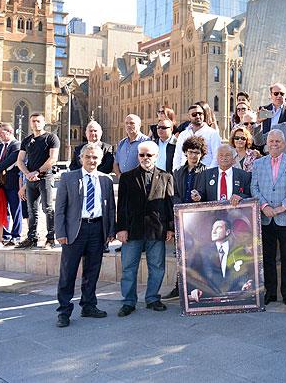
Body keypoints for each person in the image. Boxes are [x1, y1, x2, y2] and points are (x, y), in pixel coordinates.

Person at [53, 144, 116, 327]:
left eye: (95, 157)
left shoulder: (106, 180)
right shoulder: (68, 178)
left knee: (92, 270)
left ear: (101, 160)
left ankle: (88, 305)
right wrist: (61, 232)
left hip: (97, 229)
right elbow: (60, 209)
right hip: (75, 231)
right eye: (88, 157)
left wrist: (110, 231)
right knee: (68, 272)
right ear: (81, 158)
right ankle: (64, 311)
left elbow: (110, 208)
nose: (91, 160)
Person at [115, 141, 175, 317]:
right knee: (128, 268)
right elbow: (122, 206)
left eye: (149, 155)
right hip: (132, 230)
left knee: (157, 267)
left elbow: (169, 205)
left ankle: (152, 299)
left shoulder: (166, 177)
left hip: (156, 230)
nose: (145, 158)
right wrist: (121, 229)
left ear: (156, 156)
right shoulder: (126, 177)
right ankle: (128, 302)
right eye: (142, 155)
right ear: (138, 156)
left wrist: (170, 228)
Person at [251, 129, 286, 306]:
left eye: (278, 141)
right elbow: (254, 188)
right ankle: (270, 292)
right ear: (266, 144)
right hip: (265, 218)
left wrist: (282, 208)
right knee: (268, 258)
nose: (274, 144)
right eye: (271, 141)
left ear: (284, 144)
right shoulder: (258, 164)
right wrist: (264, 206)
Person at [161, 136, 208, 302]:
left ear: (202, 154)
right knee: (181, 255)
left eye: (197, 153)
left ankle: (199, 288)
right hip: (181, 219)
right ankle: (179, 287)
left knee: (198, 256)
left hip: (199, 221)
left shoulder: (207, 171)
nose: (194, 156)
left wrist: (200, 197)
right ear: (186, 153)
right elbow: (172, 195)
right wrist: (181, 206)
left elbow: (209, 196)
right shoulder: (177, 172)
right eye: (191, 152)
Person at [15, 113, 60, 249]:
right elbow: (20, 160)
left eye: (38, 121)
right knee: (31, 210)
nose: (36, 123)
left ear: (44, 122)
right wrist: (28, 174)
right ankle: (32, 238)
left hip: (45, 177)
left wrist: (37, 172)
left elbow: (53, 159)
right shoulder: (27, 140)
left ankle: (51, 238)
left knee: (47, 208)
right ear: (30, 123)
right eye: (33, 121)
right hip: (30, 179)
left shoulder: (51, 138)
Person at [186, 219, 254, 303]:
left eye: (218, 227)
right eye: (212, 228)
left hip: (237, 299)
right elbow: (191, 274)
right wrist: (194, 289)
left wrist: (248, 283)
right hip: (209, 300)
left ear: (227, 232)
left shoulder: (239, 249)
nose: (213, 231)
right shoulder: (202, 252)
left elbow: (250, 273)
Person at [0, 123, 23, 245]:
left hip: (13, 183)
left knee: (15, 210)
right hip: (0, 184)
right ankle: (4, 236)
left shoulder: (17, 145)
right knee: (3, 211)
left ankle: (16, 236)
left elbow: (7, 162)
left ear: (10, 131)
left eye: (1, 133)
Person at [173, 103, 222, 169]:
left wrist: (209, 173)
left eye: (200, 114)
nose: (198, 116)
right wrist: (177, 172)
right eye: (194, 114)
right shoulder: (183, 134)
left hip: (205, 173)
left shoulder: (212, 133)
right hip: (185, 173)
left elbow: (217, 156)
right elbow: (178, 156)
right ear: (189, 117)